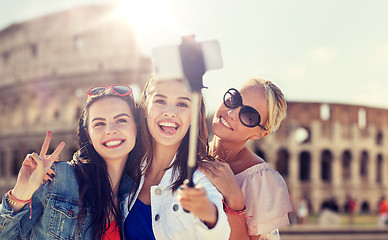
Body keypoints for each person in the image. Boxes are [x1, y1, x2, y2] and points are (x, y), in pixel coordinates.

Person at [0, 85, 141, 239]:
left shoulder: (137, 193)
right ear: (88, 135)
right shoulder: (55, 180)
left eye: (121, 120)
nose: (110, 130)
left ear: (136, 127)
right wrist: (20, 194)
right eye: (99, 123)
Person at [122, 77, 230, 239]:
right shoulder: (127, 168)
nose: (170, 112)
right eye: (160, 101)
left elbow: (220, 233)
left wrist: (209, 213)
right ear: (145, 108)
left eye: (182, 104)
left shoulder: (200, 179)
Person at [200, 78, 293, 240]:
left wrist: (234, 199)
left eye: (249, 115)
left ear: (260, 134)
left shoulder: (261, 181)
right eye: (234, 99)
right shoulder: (187, 153)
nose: (231, 113)